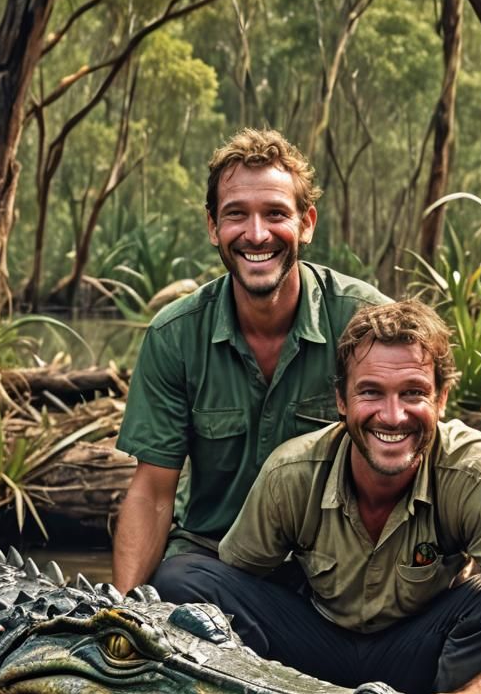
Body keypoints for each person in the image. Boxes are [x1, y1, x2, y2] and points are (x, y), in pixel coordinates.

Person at [153, 300, 481, 694]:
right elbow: (235, 590)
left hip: (423, 661)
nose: (393, 416)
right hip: (312, 653)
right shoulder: (292, 471)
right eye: (371, 392)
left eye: (414, 393)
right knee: (183, 579)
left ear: (440, 399)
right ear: (341, 400)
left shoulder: (475, 473)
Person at [112, 128, 388, 594]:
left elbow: (415, 456)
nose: (256, 234)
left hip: (334, 571)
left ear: (307, 223)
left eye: (276, 214)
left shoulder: (365, 325)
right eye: (236, 214)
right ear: (213, 227)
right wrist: (118, 621)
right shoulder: (175, 335)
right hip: (213, 564)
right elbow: (154, 493)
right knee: (176, 583)